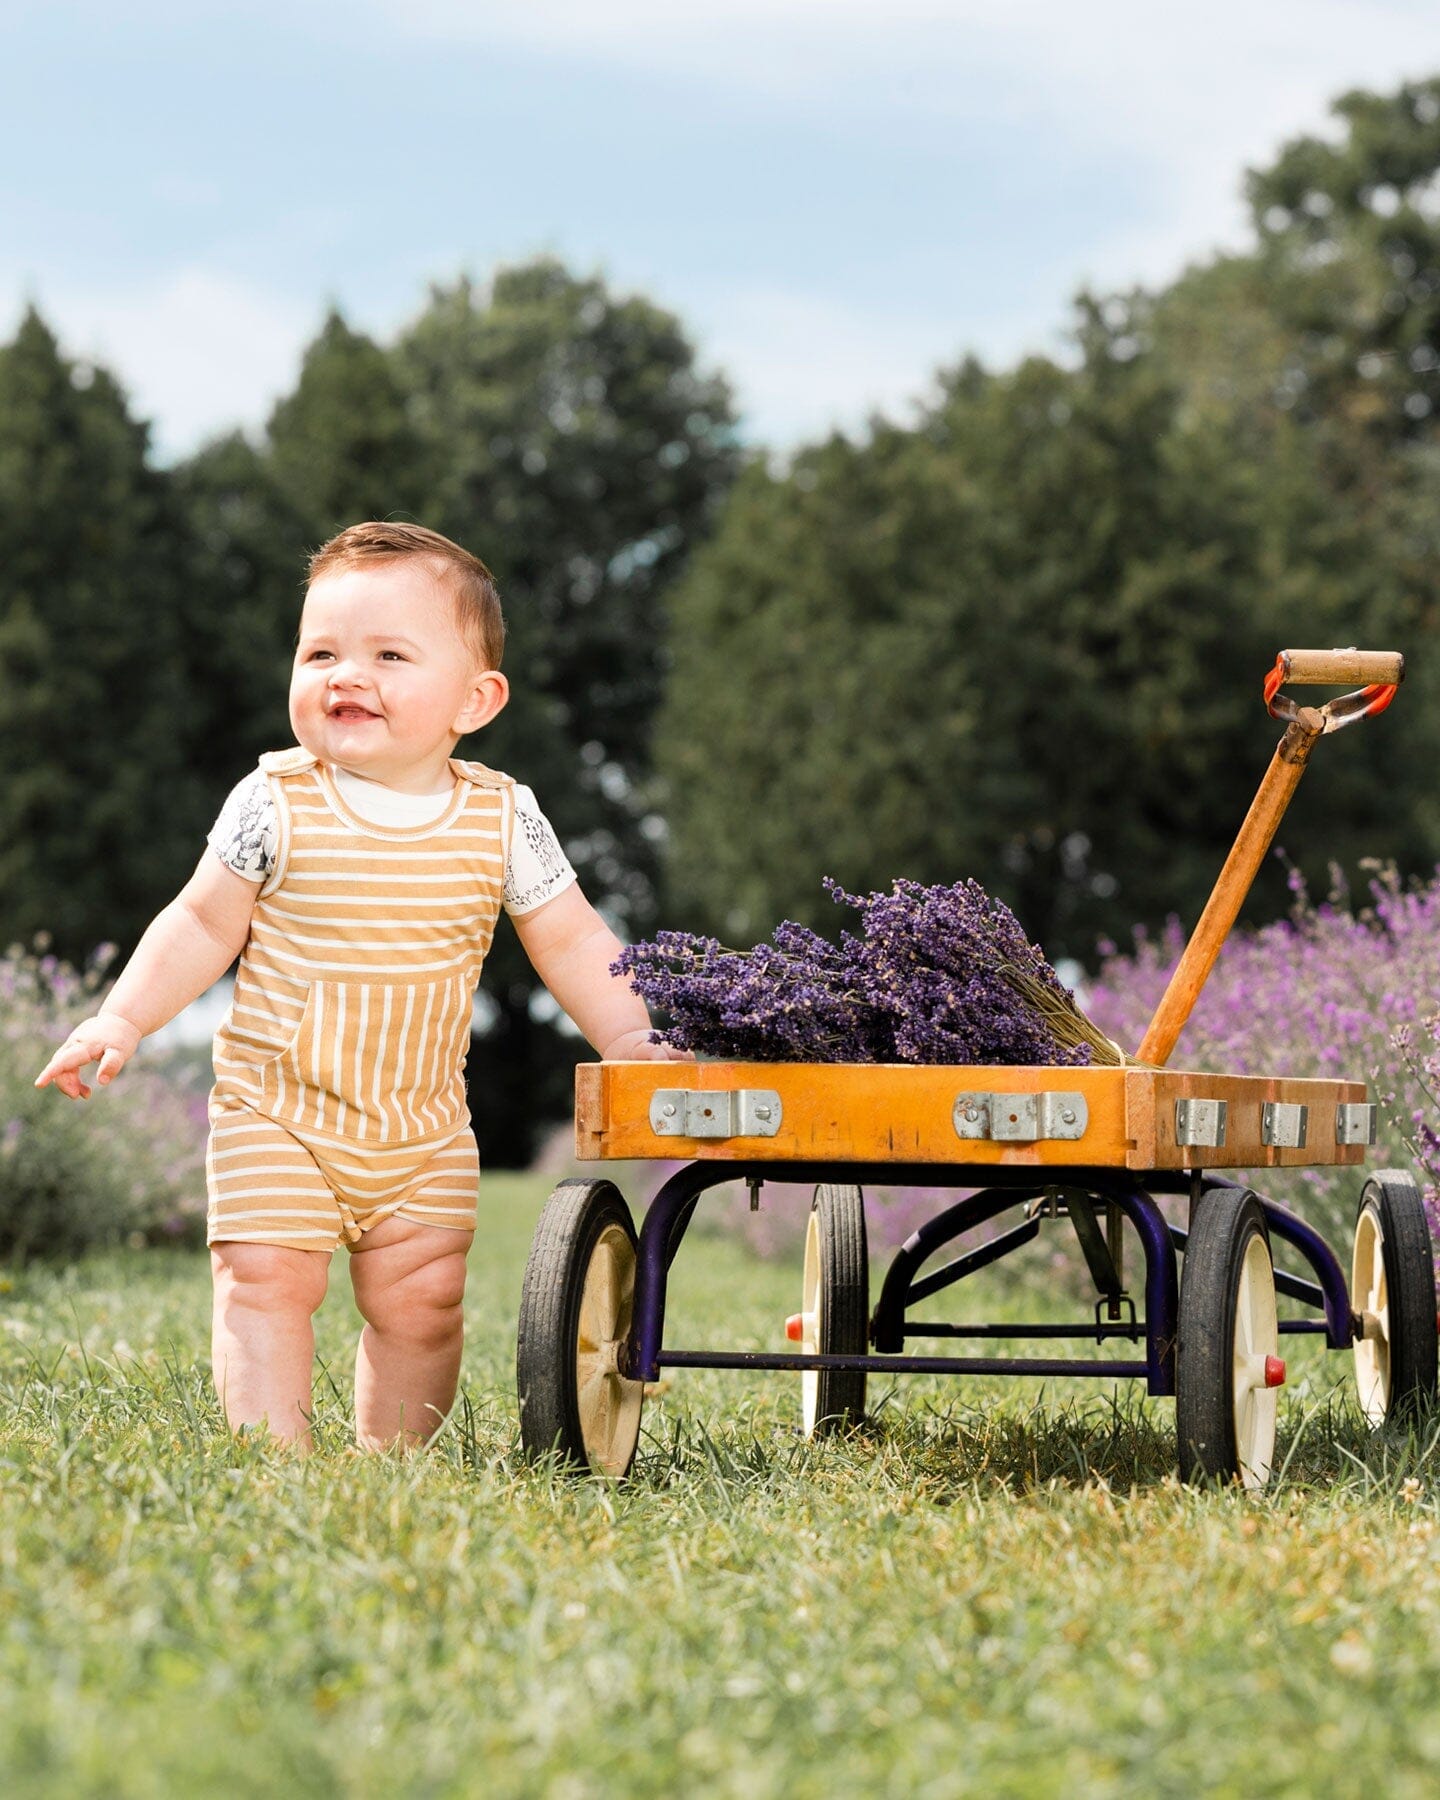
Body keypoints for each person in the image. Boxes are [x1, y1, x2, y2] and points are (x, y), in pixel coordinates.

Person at [35, 520, 683, 1452]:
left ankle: (393, 1464)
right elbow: (201, 922)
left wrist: (626, 1036)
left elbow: (572, 938)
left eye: (388, 654)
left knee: (422, 1304)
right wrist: (122, 1017)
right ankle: (277, 1460)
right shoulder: (275, 799)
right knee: (263, 1277)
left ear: (476, 698)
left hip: (420, 1128)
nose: (345, 674)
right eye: (321, 651)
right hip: (278, 1107)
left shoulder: (501, 816)